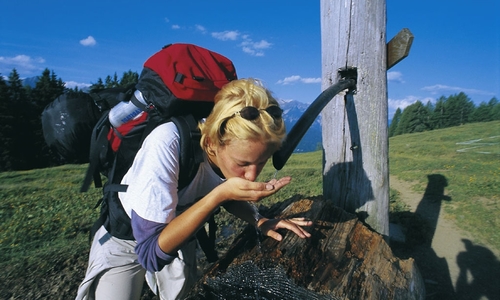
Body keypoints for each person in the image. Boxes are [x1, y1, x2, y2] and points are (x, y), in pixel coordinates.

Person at [76, 78, 312, 300]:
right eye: (242, 164)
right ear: (210, 142)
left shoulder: (225, 150)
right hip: (125, 238)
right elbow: (149, 253)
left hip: (179, 230)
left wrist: (259, 220)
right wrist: (220, 195)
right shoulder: (167, 144)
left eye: (261, 162)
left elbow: (224, 190)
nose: (252, 175)